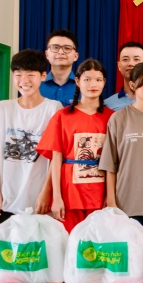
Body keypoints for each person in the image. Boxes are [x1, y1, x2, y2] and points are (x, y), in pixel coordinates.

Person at [36, 59, 113, 232]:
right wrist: (56, 196)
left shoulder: (112, 118)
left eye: (98, 79)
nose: (93, 84)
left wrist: (111, 196)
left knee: (98, 243)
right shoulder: (62, 116)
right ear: (77, 81)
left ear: (104, 82)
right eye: (87, 79)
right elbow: (56, 160)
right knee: (69, 242)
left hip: (100, 194)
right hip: (70, 193)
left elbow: (114, 160)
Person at [0, 50, 62, 229]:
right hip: (8, 198)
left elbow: (55, 155)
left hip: (39, 199)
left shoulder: (53, 109)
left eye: (30, 74)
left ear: (43, 76)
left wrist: (47, 192)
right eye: (18, 74)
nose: (24, 80)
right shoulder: (2, 108)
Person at [99, 62, 143, 240]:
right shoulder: (118, 118)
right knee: (130, 255)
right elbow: (110, 164)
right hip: (126, 204)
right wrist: (111, 201)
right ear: (132, 85)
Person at [39, 29, 80, 106]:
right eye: (55, 47)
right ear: (47, 54)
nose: (61, 52)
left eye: (67, 48)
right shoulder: (36, 86)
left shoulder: (83, 87)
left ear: (76, 56)